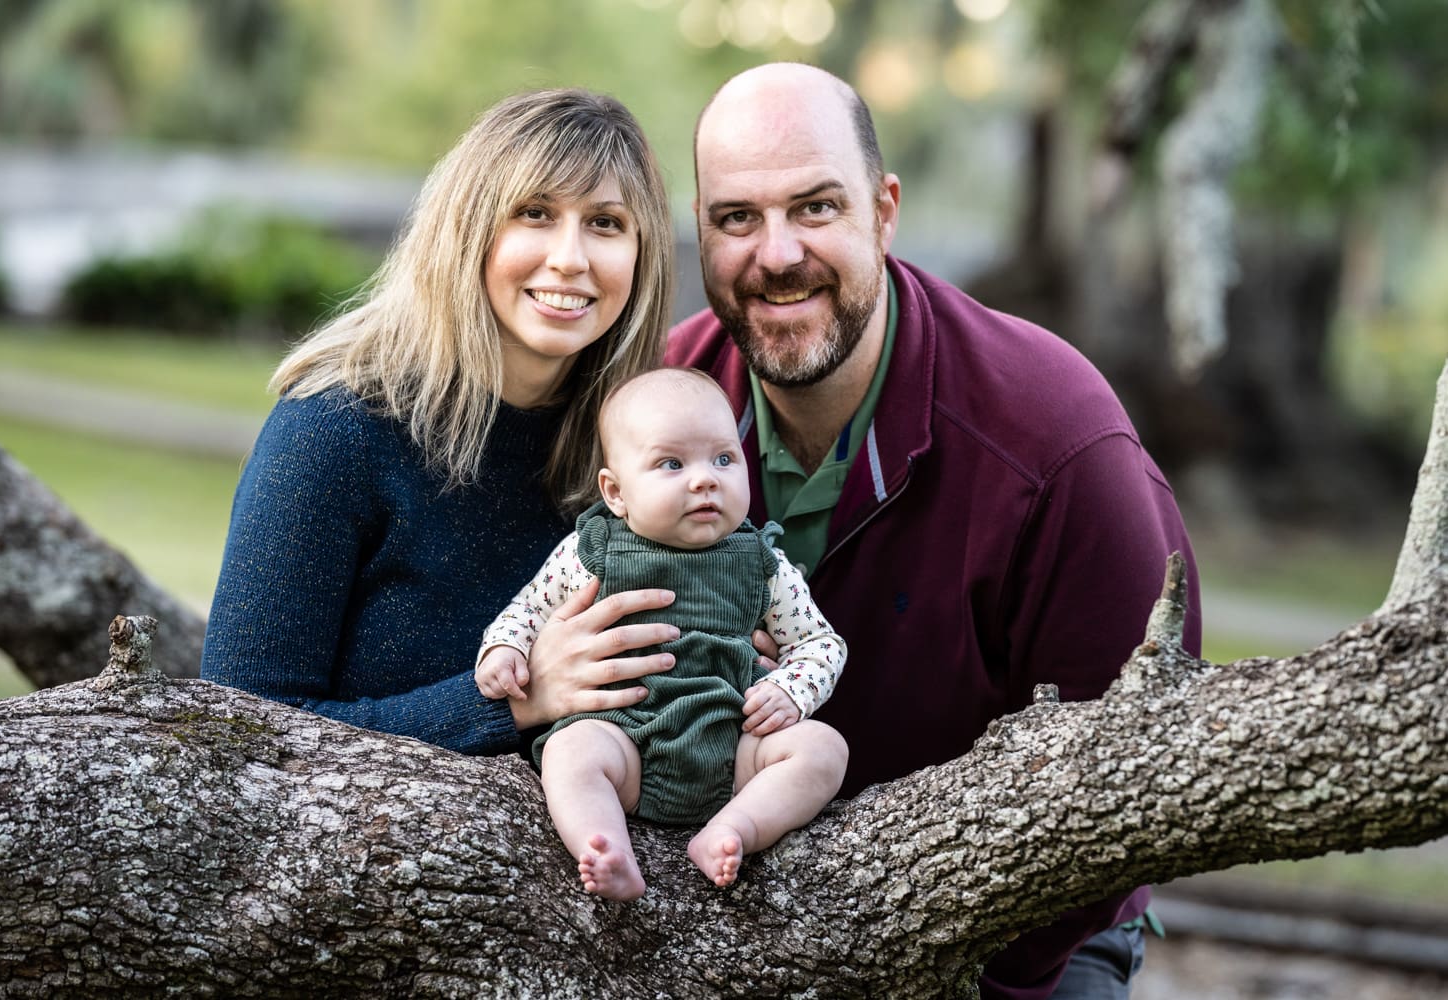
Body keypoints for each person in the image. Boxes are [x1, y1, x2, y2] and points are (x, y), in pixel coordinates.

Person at [661, 63, 1203, 1000]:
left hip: (1015, 942)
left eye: (816, 207)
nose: (778, 253)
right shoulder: (665, 404)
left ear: (884, 209)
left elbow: (1139, 775)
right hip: (726, 900)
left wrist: (942, 966)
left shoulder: (1051, 438)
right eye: (737, 217)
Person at [201, 89, 683, 756]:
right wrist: (512, 700)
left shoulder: (637, 446)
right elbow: (241, 731)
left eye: (605, 223)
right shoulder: (334, 430)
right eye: (535, 213)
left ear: (642, 253)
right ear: (468, 227)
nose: (571, 257)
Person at [476, 367, 848, 900]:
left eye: (724, 458)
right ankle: (606, 848)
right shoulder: (591, 553)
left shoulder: (765, 565)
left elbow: (819, 644)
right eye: (671, 464)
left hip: (733, 745)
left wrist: (791, 688)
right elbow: (527, 610)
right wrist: (506, 648)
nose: (705, 479)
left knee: (823, 749)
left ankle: (734, 828)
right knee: (570, 752)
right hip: (622, 736)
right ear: (616, 492)